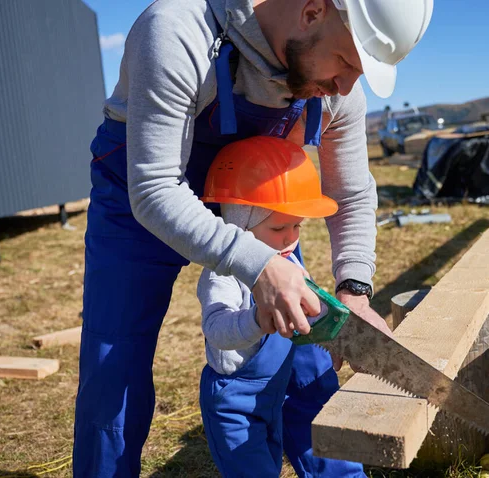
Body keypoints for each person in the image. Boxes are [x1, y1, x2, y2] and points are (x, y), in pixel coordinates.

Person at [73, 0, 433, 475]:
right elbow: (156, 188)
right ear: (312, 12)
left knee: (305, 354)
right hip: (141, 195)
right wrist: (259, 266)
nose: (347, 87)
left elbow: (349, 193)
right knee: (114, 370)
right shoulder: (179, 32)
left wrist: (356, 292)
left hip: (259, 204)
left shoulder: (338, 88)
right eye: (346, 62)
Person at [197, 136, 363, 477]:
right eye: (278, 227)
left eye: (297, 226)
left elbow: (307, 304)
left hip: (274, 388)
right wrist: (258, 319)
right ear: (239, 225)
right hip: (235, 404)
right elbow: (216, 329)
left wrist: (330, 333)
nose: (290, 238)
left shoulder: (286, 259)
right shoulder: (221, 275)